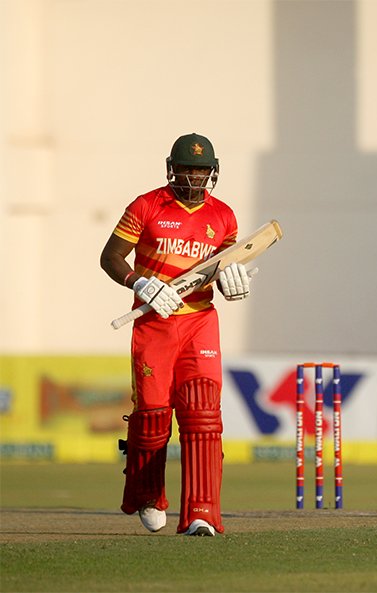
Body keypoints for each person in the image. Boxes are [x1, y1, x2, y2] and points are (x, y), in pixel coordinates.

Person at [100, 132, 254, 536]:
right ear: (172, 169)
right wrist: (140, 283)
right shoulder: (146, 206)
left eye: (201, 171)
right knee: (151, 417)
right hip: (154, 320)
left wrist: (232, 282)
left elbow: (221, 270)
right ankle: (148, 494)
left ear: (213, 172)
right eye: (187, 169)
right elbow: (110, 256)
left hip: (200, 319)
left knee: (203, 411)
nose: (194, 177)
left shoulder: (224, 217)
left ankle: (202, 513)